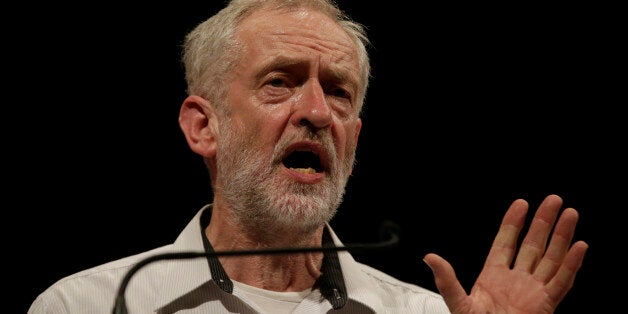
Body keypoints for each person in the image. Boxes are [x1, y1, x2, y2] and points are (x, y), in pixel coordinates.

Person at [28, 0, 589, 313]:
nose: (319, 112)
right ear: (204, 126)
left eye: (340, 92)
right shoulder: (89, 304)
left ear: (355, 138)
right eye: (281, 82)